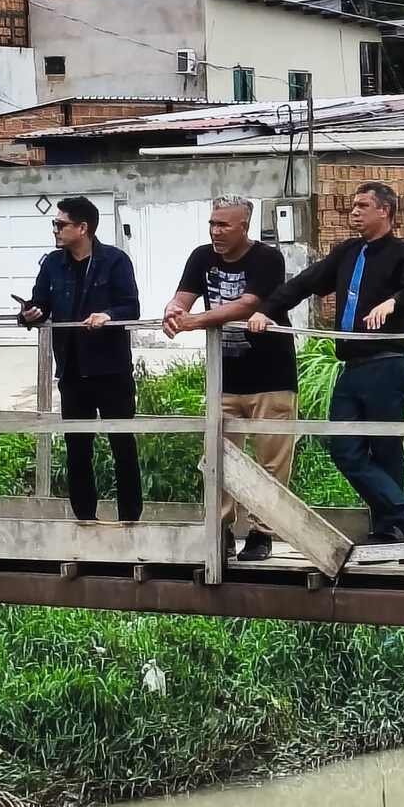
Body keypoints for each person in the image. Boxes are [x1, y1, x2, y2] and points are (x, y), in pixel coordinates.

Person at [249, 181, 404, 544]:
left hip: (388, 362)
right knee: (343, 446)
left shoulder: (403, 254)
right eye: (353, 205)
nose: (354, 211)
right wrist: (266, 311)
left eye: (363, 205)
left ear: (385, 211)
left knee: (385, 446)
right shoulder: (348, 252)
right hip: (352, 366)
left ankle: (389, 527)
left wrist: (393, 303)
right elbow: (304, 283)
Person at [162, 195, 298, 562]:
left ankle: (261, 533)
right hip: (224, 376)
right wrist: (174, 311)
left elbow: (248, 305)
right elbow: (183, 298)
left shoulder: (267, 258)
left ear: (244, 227)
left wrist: (195, 322)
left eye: (224, 225)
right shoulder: (201, 257)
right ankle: (220, 529)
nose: (216, 231)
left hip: (271, 374)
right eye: (212, 223)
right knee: (218, 457)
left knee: (271, 460)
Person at [17, 196, 143, 523]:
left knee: (123, 445)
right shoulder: (52, 264)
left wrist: (108, 315)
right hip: (72, 370)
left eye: (61, 225)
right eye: (55, 225)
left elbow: (131, 308)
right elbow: (40, 305)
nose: (55, 230)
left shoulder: (115, 261)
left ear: (82, 228)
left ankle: (130, 519)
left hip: (111, 370)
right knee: (77, 448)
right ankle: (85, 520)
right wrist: (30, 312)